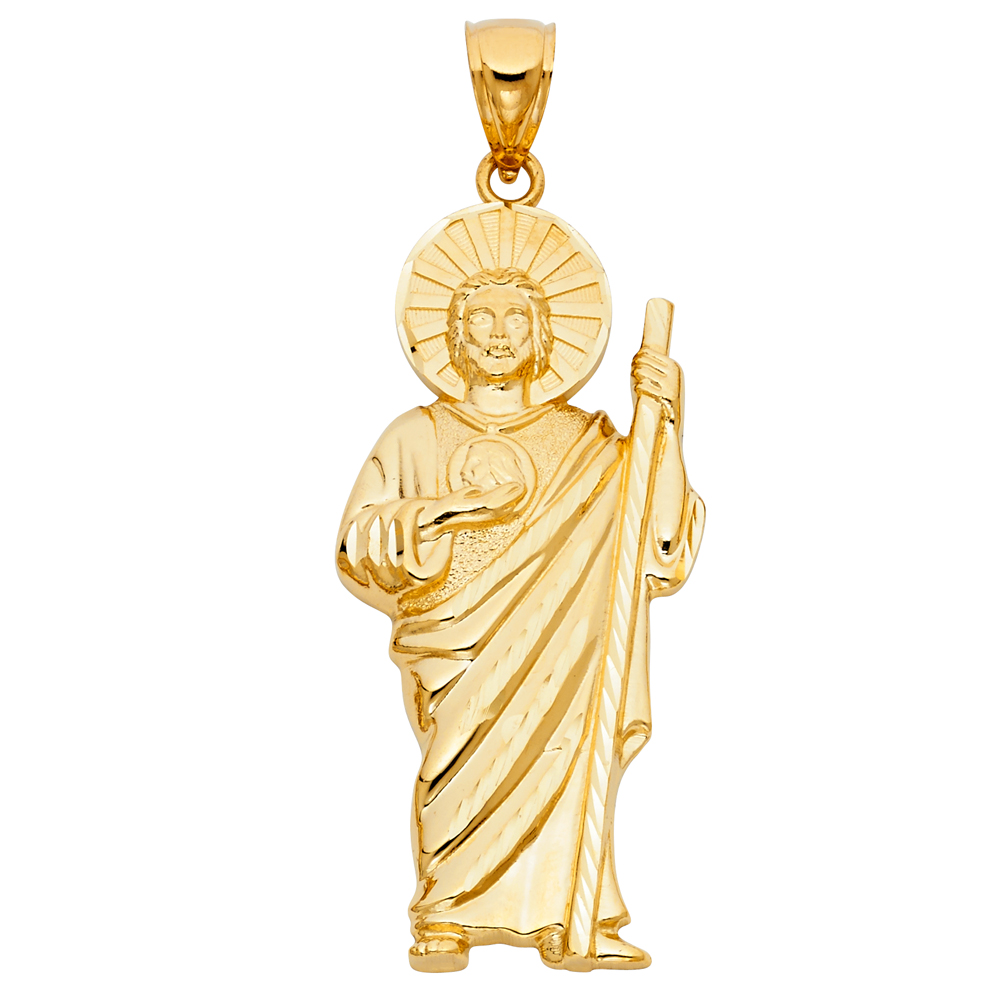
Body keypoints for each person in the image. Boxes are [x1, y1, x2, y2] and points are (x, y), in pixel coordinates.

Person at [337, 266, 704, 971]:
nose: (499, 335)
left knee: (568, 759)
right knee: (458, 767)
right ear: (453, 336)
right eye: (481, 318)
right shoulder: (415, 435)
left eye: (516, 319)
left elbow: (656, 544)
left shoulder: (587, 443)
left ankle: (571, 914)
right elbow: (357, 544)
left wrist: (665, 426)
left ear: (542, 337)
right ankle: (446, 912)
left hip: (568, 657)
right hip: (457, 650)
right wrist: (448, 513)